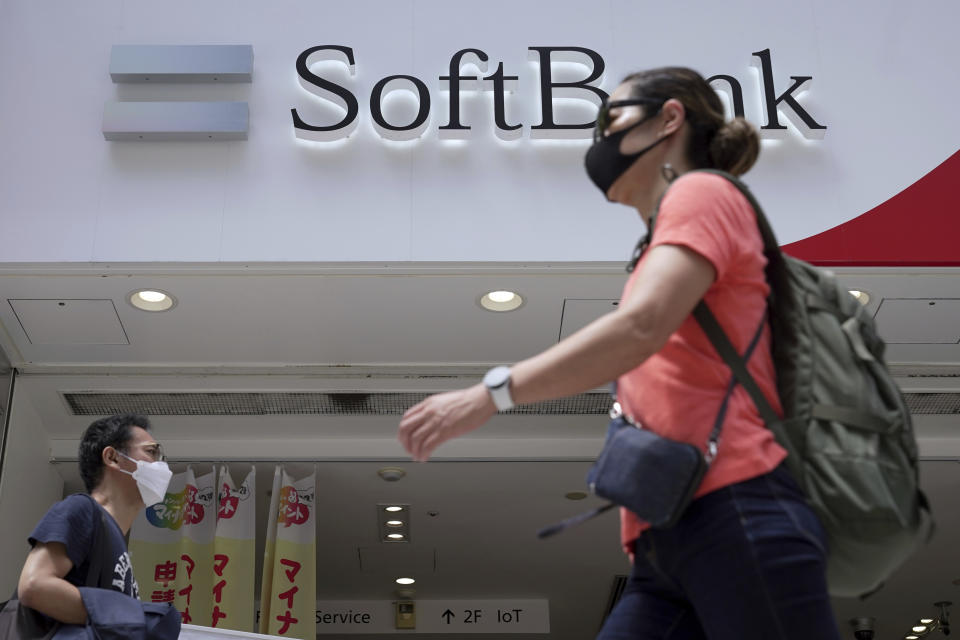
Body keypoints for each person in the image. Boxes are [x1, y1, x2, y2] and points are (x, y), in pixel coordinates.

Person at [398, 67, 841, 639]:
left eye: (612, 120)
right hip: (667, 540)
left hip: (739, 511)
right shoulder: (663, 232)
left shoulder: (702, 191)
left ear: (670, 118)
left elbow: (641, 326)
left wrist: (490, 394)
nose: (600, 140)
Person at [16, 413, 172, 625]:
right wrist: (128, 621)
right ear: (113, 457)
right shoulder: (82, 509)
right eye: (151, 452)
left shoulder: (114, 541)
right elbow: (34, 586)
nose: (160, 465)